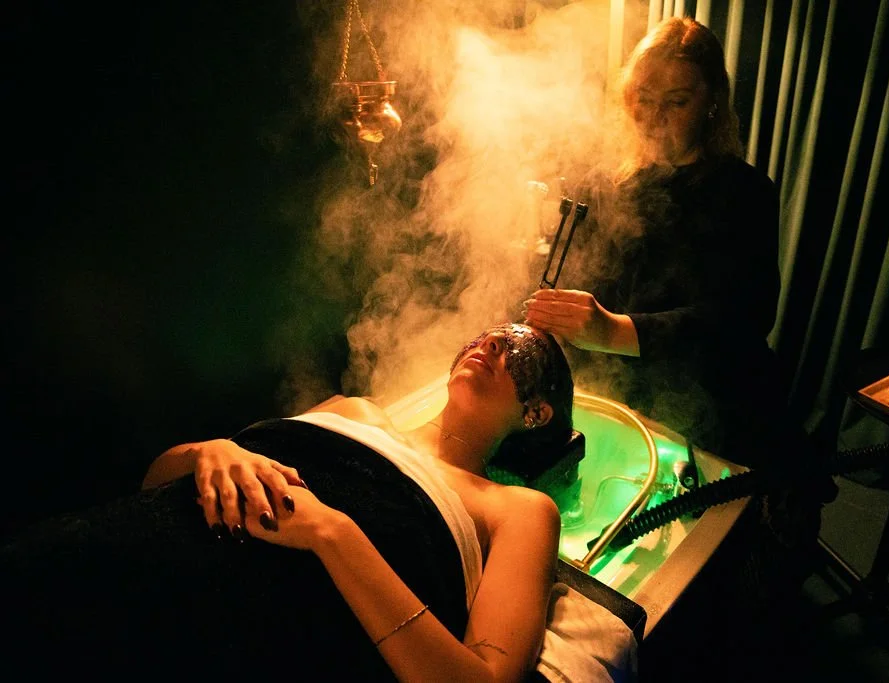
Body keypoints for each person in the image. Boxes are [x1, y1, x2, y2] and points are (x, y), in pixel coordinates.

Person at [1, 323, 574, 682]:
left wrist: (334, 534)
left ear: (538, 412)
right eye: (489, 335)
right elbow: (155, 481)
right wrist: (209, 452)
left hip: (228, 640)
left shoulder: (516, 508)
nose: (491, 344)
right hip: (99, 555)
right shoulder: (352, 410)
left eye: (520, 353)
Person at [524, 17, 834, 679]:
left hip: (718, 399)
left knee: (716, 580)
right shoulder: (609, 185)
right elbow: (581, 278)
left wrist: (620, 331)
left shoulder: (743, 192)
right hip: (620, 391)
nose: (654, 116)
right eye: (643, 98)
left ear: (712, 103)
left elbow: (746, 315)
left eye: (677, 100)